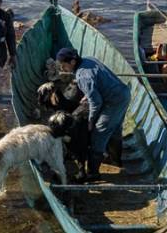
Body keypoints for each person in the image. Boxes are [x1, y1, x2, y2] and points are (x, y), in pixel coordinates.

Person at [55, 47, 131, 181]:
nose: (62, 68)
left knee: (99, 132)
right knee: (115, 128)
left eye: (63, 64)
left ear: (72, 62)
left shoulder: (82, 75)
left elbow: (96, 103)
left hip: (113, 102)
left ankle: (92, 173)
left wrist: (91, 121)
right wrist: (88, 95)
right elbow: (98, 82)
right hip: (123, 93)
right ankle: (115, 160)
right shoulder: (89, 59)